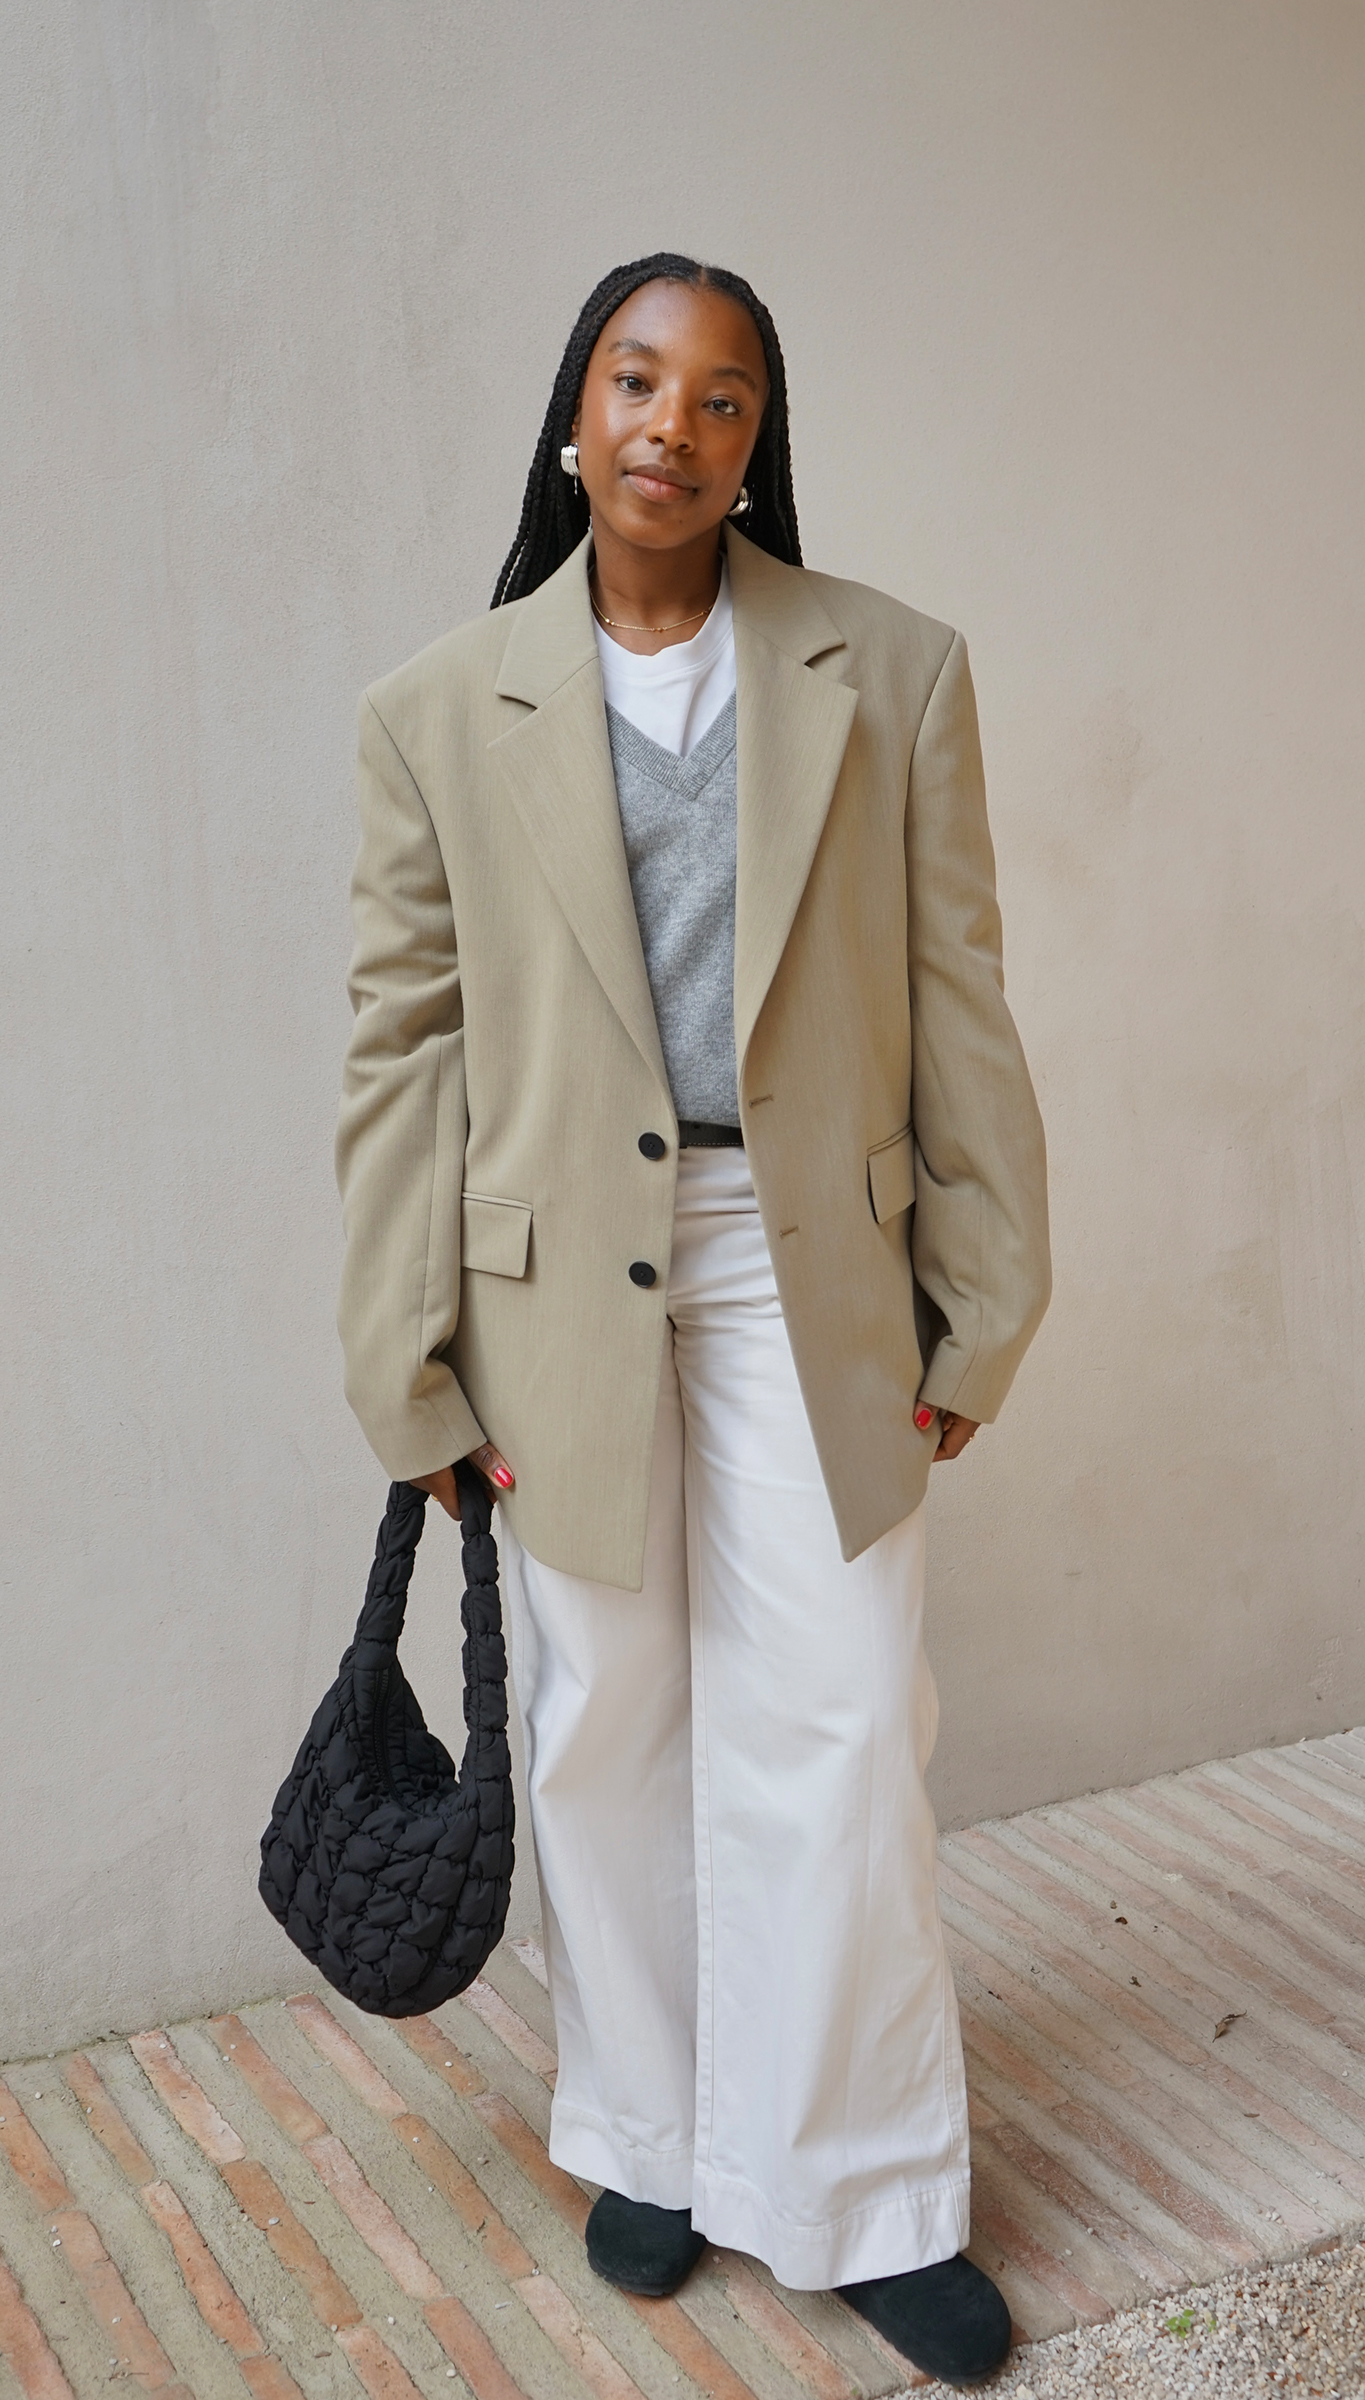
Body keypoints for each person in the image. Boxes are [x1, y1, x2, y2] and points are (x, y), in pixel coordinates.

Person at [334, 252, 1050, 2382]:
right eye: (637, 381)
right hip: (555, 1284)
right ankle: (648, 2138)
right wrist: (406, 1358)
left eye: (721, 397)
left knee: (842, 1718)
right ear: (576, 417)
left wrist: (986, 1294)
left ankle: (862, 2192)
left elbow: (958, 994)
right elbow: (403, 1054)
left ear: (757, 442)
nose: (673, 423)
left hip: (801, 1258)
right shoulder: (437, 711)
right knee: (605, 1723)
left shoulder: (889, 671)